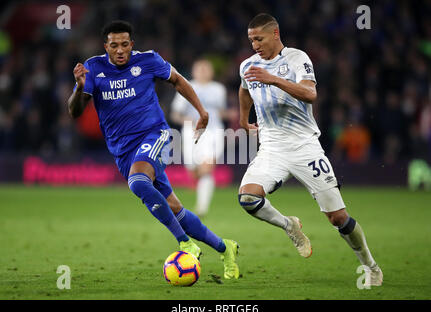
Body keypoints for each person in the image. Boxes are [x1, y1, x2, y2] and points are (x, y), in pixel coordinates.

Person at [67, 20, 239, 279]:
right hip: (123, 150)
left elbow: (179, 81)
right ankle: (226, 249)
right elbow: (75, 111)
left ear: (131, 44)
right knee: (174, 207)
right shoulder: (93, 68)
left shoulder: (148, 60)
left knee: (137, 182)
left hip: (154, 134)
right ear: (106, 47)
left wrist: (202, 111)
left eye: (125, 44)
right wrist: (80, 88)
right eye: (114, 46)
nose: (120, 50)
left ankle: (184, 243)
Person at [237, 13, 382, 286]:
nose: (254, 44)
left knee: (338, 218)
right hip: (272, 148)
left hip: (305, 147)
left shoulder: (296, 58)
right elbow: (244, 88)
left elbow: (310, 94)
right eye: (250, 39)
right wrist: (244, 119)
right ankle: (288, 225)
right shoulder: (248, 65)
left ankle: (370, 265)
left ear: (275, 34)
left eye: (259, 38)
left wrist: (273, 80)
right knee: (248, 198)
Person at [170, 59, 227, 216]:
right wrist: (188, 120)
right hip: (191, 132)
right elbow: (175, 115)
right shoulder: (186, 87)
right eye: (199, 68)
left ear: (212, 72)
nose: (203, 71)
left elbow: (221, 112)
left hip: (213, 131)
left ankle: (202, 208)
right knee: (194, 172)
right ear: (194, 71)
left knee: (206, 168)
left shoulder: (219, 89)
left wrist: (232, 114)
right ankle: (199, 186)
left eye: (206, 68)